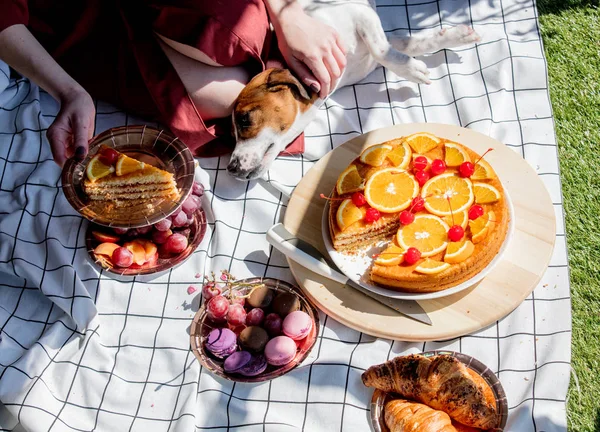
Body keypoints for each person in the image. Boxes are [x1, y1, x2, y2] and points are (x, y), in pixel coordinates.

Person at [0, 0, 347, 166]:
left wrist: (287, 12)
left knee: (236, 35)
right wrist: (70, 91)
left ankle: (268, 42)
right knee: (231, 98)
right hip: (78, 22)